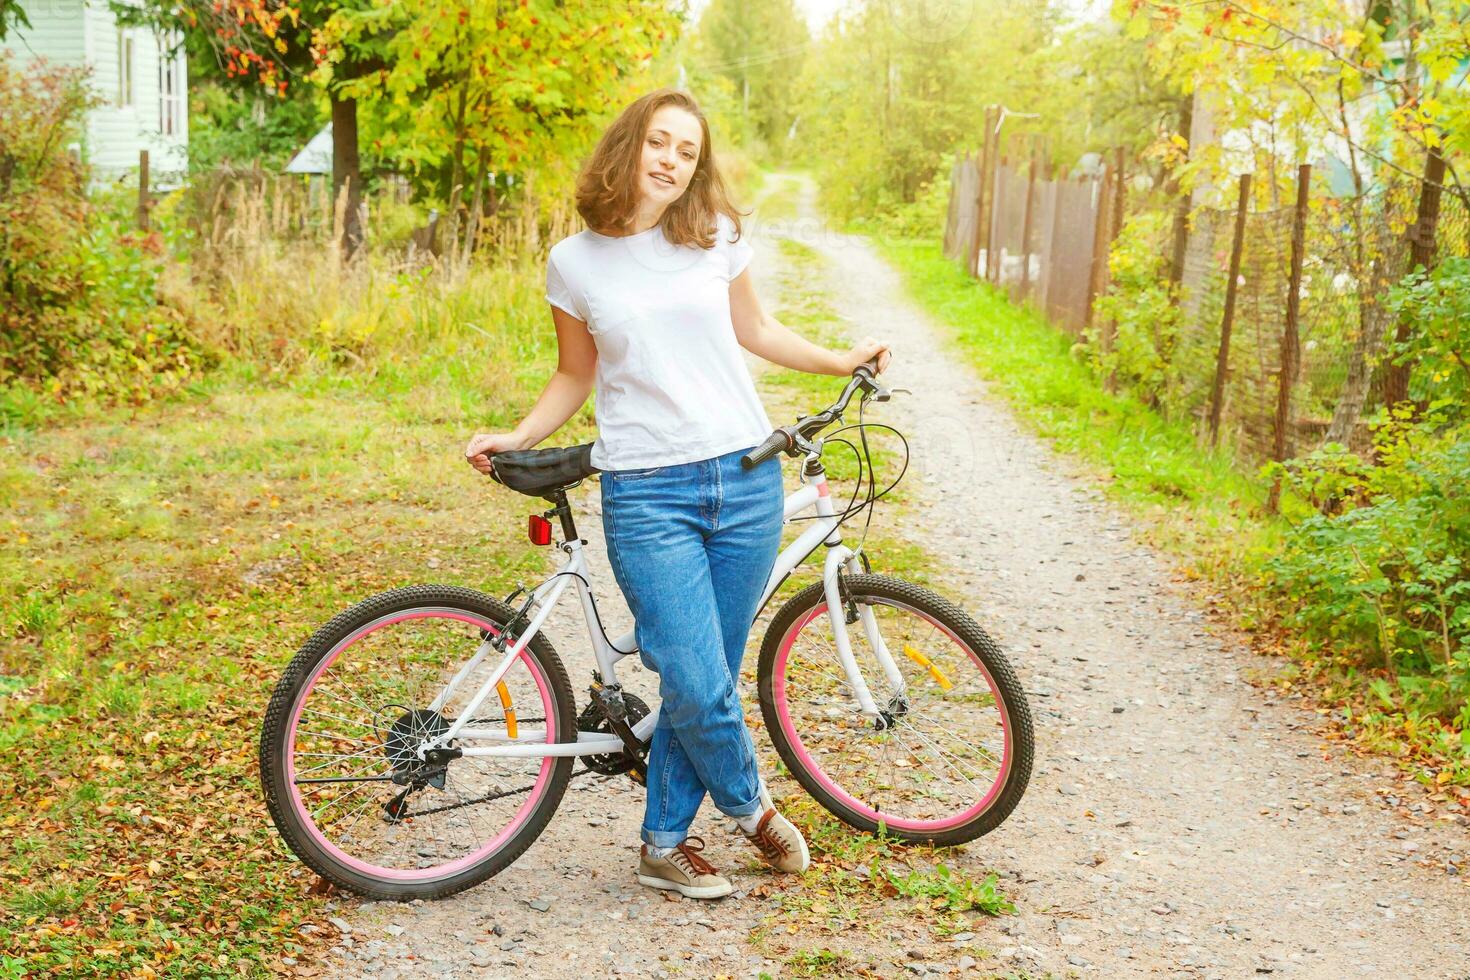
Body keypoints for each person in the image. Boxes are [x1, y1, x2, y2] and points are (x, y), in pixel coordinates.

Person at [464, 87, 891, 900]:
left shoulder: (715, 237)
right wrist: (516, 434)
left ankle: (663, 843)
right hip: (647, 492)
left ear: (698, 168)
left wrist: (843, 359)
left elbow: (756, 332)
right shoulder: (574, 261)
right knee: (696, 680)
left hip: (747, 480)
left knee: (708, 681)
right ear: (628, 146)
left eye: (686, 151)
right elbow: (575, 373)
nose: (669, 160)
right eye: (658, 142)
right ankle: (753, 808)